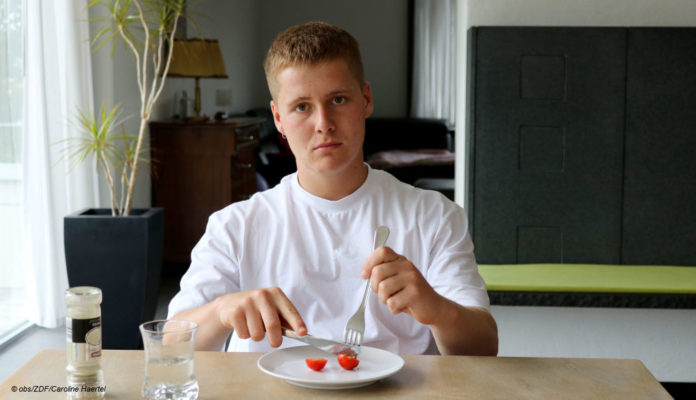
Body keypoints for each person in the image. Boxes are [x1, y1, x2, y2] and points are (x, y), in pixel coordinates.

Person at [168, 21, 498, 356]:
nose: (323, 123)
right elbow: (171, 343)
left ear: (366, 99)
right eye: (301, 107)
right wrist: (221, 310)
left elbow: (484, 348)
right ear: (278, 118)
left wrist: (438, 309)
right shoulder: (235, 225)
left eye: (338, 99)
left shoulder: (435, 216)